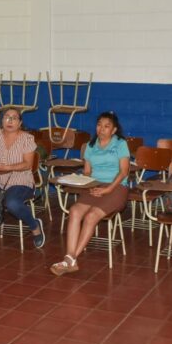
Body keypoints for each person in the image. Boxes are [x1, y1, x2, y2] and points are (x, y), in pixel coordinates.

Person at [50, 111, 130, 275]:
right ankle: (70, 258)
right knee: (74, 211)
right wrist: (78, 180)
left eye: (106, 126)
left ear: (114, 130)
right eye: (99, 125)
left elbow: (123, 172)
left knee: (91, 216)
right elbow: (87, 172)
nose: (101, 129)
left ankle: (70, 260)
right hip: (94, 185)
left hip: (116, 188)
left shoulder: (120, 144)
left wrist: (108, 189)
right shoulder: (90, 146)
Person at [0, 107, 45, 248]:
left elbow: (27, 165)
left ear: (20, 123)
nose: (10, 121)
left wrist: (7, 167)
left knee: (12, 203)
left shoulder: (27, 138)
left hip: (21, 180)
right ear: (2, 120)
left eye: (14, 118)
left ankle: (35, 226)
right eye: (6, 117)